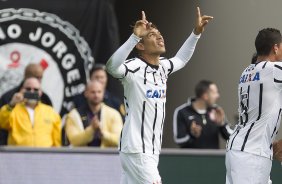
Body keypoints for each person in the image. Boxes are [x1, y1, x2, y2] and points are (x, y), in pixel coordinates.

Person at [106, 7, 213, 184]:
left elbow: (181, 59)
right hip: (136, 148)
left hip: (151, 150)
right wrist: (134, 37)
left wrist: (196, 33)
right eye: (151, 35)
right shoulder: (134, 67)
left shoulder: (163, 67)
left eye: (160, 34)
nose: (159, 37)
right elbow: (111, 67)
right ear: (140, 45)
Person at [225, 28, 282, 184]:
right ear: (275, 48)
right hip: (252, 154)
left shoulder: (246, 71)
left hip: (240, 149)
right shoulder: (273, 70)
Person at [0, 63, 53, 145]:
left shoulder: (45, 98)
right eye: (36, 77)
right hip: (13, 149)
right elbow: (2, 125)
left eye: (40, 77)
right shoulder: (9, 97)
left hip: (43, 150)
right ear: (26, 77)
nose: (39, 80)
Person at [173, 80, 233, 149]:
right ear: (205, 96)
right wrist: (192, 135)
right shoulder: (182, 111)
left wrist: (222, 124)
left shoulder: (217, 110)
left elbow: (233, 138)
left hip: (213, 159)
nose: (218, 96)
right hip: (190, 159)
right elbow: (179, 140)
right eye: (214, 93)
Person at [65, 80, 123, 147]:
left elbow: (119, 140)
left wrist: (102, 134)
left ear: (103, 93)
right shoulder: (73, 115)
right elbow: (73, 140)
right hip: (81, 156)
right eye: (93, 92)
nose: (96, 95)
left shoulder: (114, 114)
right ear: (86, 93)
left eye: (99, 92)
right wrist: (91, 129)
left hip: (107, 156)